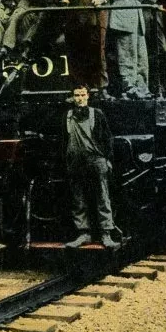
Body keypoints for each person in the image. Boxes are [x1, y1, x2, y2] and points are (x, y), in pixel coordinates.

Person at [63, 84, 118, 249]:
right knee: (78, 198)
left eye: (82, 94)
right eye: (76, 95)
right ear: (73, 97)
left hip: (96, 159)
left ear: (88, 96)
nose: (79, 98)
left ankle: (106, 234)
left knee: (102, 196)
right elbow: (64, 140)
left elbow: (108, 139)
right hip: (75, 161)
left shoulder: (97, 114)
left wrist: (107, 159)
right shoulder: (68, 115)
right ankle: (83, 234)